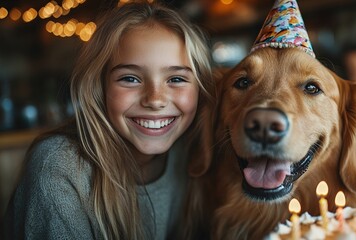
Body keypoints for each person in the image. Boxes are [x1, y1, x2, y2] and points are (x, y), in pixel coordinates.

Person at [1, 2, 213, 239]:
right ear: (99, 87)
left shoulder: (195, 156)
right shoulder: (59, 167)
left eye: (176, 78)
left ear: (200, 90)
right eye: (130, 78)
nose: (155, 100)